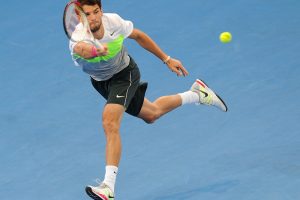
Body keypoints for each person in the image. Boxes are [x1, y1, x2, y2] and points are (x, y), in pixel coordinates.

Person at [68, 0, 227, 199]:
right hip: (101, 82)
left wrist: (167, 59)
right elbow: (82, 49)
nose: (93, 18)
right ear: (80, 16)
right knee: (152, 114)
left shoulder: (113, 21)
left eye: (96, 12)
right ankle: (197, 94)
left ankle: (108, 187)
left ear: (101, 10)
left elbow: (139, 36)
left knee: (110, 122)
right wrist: (96, 51)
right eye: (87, 14)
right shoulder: (77, 37)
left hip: (124, 74)